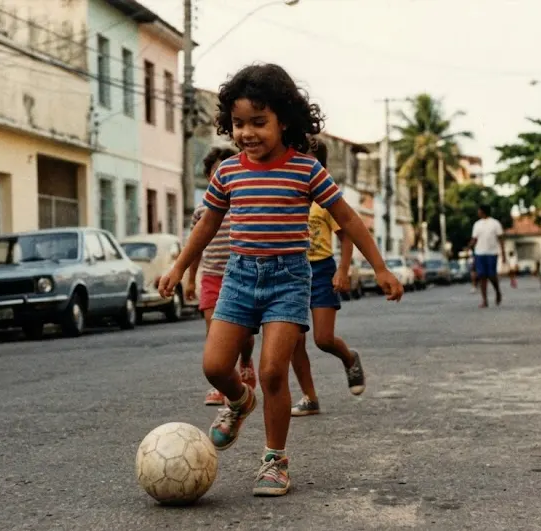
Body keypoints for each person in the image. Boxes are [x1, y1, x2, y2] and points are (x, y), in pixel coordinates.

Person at [157, 63, 404, 497]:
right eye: (238, 123)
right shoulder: (228, 172)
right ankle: (239, 401)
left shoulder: (306, 170)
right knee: (214, 366)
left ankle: (274, 459)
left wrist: (380, 267)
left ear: (284, 120)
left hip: (288, 279)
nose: (247, 133)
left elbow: (348, 218)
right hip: (238, 276)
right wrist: (178, 267)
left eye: (259, 122)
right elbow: (207, 224)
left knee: (273, 371)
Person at [289, 140, 366, 418]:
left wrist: (342, 270)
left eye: (307, 160)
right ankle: (310, 397)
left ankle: (349, 358)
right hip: (292, 270)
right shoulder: (288, 194)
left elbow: (346, 236)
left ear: (320, 166)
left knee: (323, 339)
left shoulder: (325, 198)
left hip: (322, 269)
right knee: (294, 341)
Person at [185, 147, 257, 405]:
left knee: (244, 334)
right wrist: (190, 279)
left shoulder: (243, 206)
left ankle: (245, 361)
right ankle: (223, 384)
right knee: (213, 329)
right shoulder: (201, 211)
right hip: (213, 277)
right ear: (209, 176)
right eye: (217, 172)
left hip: (241, 276)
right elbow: (195, 247)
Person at [468, 204, 506, 308]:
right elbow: (474, 238)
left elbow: (501, 239)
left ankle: (497, 291)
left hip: (492, 253)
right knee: (481, 276)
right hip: (479, 253)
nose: (478, 212)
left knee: (491, 275)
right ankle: (484, 300)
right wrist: (469, 247)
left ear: (483, 211)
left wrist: (503, 254)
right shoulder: (477, 224)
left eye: (479, 210)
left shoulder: (495, 223)